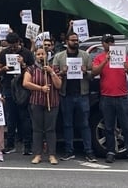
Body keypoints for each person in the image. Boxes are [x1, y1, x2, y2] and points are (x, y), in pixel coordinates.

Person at [91, 34, 128, 164]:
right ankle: (110, 152)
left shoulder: (122, 56)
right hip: (107, 97)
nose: (110, 44)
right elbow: (94, 72)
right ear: (103, 44)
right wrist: (105, 61)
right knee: (108, 126)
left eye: (112, 41)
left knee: (126, 126)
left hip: (122, 96)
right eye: (107, 42)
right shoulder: (99, 57)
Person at [51, 31, 95, 162]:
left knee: (85, 124)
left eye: (77, 40)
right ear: (67, 42)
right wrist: (62, 73)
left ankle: (89, 151)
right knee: (67, 124)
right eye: (72, 40)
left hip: (82, 95)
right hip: (66, 95)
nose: (75, 42)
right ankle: (69, 151)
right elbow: (53, 74)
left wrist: (85, 71)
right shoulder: (59, 57)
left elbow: (92, 75)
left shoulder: (85, 56)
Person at [0, 32, 34, 155]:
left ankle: (27, 146)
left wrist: (23, 64)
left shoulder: (27, 53)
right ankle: (10, 144)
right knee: (11, 117)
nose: (12, 48)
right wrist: (4, 69)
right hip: (9, 86)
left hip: (23, 87)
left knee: (25, 117)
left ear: (19, 42)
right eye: (10, 45)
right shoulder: (4, 53)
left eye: (14, 45)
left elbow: (33, 70)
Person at [23, 47, 62, 165]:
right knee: (37, 129)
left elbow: (59, 85)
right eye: (38, 54)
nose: (41, 56)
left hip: (52, 102)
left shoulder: (54, 67)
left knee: (50, 129)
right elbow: (25, 83)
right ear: (35, 56)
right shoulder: (31, 69)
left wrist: (51, 72)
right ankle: (38, 154)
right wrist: (41, 88)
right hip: (36, 102)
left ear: (47, 55)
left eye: (43, 54)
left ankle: (52, 155)